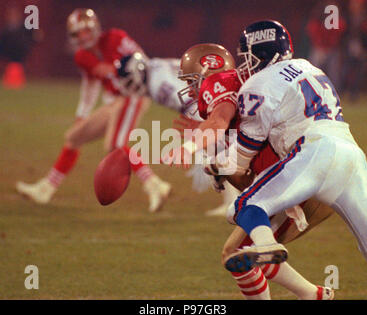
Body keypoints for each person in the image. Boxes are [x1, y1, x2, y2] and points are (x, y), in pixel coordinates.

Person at [165, 43, 334, 299]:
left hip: (298, 181)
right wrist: (221, 169)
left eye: (191, 81)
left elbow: (219, 120)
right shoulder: (247, 93)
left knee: (238, 252)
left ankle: (313, 294)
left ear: (208, 71)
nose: (190, 90)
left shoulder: (220, 83)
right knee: (244, 253)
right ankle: (313, 294)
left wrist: (188, 147)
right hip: (313, 173)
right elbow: (248, 173)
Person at [210, 20, 367, 273]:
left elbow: (242, 156)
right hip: (352, 154)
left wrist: (216, 165)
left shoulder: (258, 84)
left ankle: (265, 244)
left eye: (248, 56)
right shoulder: (311, 67)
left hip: (315, 153)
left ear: (262, 54)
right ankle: (266, 244)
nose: (245, 64)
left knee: (244, 206)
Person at [15, 8, 171, 212]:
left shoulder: (115, 38)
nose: (83, 37)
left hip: (132, 96)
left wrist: (120, 71)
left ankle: (154, 185)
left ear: (95, 28)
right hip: (115, 101)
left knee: (116, 144)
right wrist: (82, 115)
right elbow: (90, 86)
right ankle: (46, 188)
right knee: (74, 137)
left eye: (86, 31)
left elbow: (142, 63)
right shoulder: (82, 56)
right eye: (78, 33)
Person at [112, 51, 240, 215]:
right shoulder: (155, 64)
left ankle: (234, 201)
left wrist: (201, 121)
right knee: (221, 151)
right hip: (215, 95)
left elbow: (187, 100)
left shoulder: (156, 84)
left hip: (209, 102)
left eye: (130, 82)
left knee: (217, 151)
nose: (131, 87)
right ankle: (234, 200)